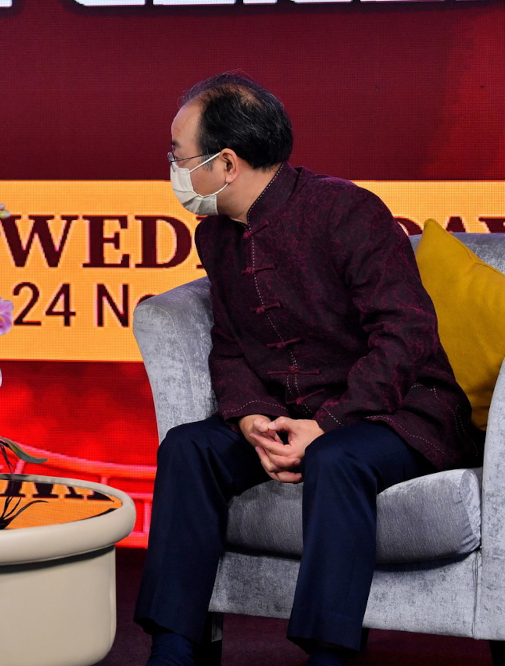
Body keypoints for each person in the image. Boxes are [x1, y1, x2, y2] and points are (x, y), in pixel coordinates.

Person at [134, 73, 483, 666]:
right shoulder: (215, 233)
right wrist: (248, 421)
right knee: (188, 448)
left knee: (336, 457)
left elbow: (405, 334)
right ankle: (174, 648)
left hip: (398, 409)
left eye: (178, 155)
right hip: (285, 412)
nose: (172, 166)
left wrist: (328, 423)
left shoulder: (347, 211)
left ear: (226, 163)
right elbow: (229, 343)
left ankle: (329, 655)